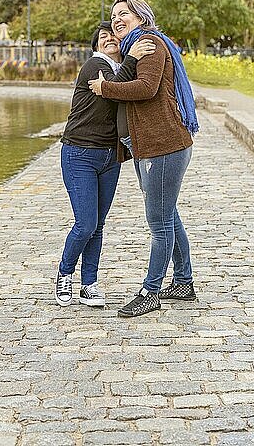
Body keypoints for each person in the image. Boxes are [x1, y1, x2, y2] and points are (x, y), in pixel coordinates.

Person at [89, 0, 199, 318]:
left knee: (159, 221)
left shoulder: (149, 43)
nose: (117, 19)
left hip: (163, 146)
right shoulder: (132, 49)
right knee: (168, 214)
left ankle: (150, 291)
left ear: (141, 16)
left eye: (124, 13)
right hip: (148, 146)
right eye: (113, 16)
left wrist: (105, 87)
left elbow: (146, 88)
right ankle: (183, 281)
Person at [55, 21, 156, 308]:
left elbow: (135, 89)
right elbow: (115, 88)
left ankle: (89, 285)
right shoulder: (93, 66)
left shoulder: (125, 67)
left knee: (98, 225)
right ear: (96, 46)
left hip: (110, 157)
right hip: (80, 153)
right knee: (85, 223)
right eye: (103, 36)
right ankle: (65, 272)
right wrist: (133, 56)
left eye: (113, 34)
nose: (109, 38)